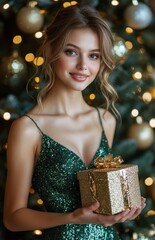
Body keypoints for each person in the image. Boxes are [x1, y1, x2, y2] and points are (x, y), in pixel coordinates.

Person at [3, 4, 145, 240]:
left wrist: (123, 209)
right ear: (50, 50)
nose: (83, 66)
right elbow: (13, 217)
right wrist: (72, 218)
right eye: (71, 52)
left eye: (93, 56)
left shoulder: (105, 120)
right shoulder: (27, 128)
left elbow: (101, 204)